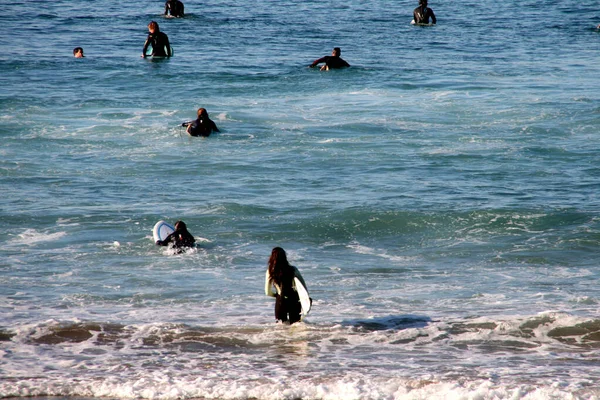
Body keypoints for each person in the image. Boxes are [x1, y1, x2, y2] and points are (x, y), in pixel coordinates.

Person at [265, 247, 309, 324]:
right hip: (294, 300)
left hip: (281, 301)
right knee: (296, 325)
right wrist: (306, 299)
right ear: (284, 257)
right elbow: (303, 287)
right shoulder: (293, 269)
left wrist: (276, 296)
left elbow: (267, 292)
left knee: (281, 327)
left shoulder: (270, 271)